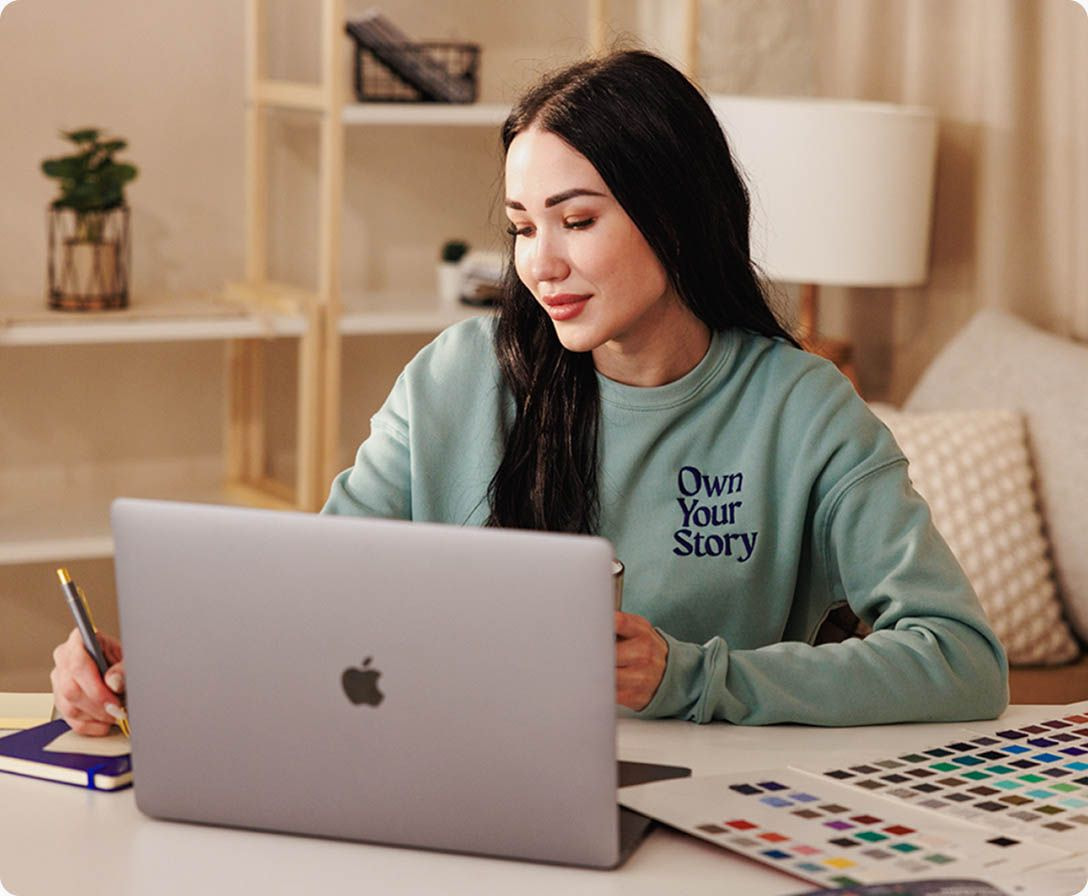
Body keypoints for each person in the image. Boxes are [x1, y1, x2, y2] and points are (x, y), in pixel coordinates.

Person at [50, 50, 1007, 734]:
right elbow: (311, 595)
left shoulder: (802, 409)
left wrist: (693, 677)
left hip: (697, 811)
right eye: (519, 226)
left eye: (576, 220)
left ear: (676, 213)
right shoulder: (457, 377)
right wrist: (150, 667)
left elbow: (962, 658)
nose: (539, 264)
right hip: (450, 776)